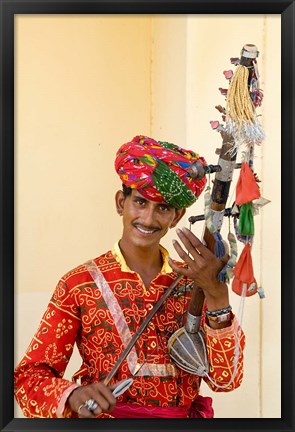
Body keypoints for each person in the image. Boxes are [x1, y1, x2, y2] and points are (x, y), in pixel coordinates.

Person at [14, 135, 245, 419]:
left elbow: (226, 380)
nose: (148, 219)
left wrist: (216, 293)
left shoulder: (195, 281)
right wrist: (72, 395)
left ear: (177, 216)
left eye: (162, 208)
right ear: (120, 202)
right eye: (140, 202)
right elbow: (29, 379)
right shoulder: (78, 283)